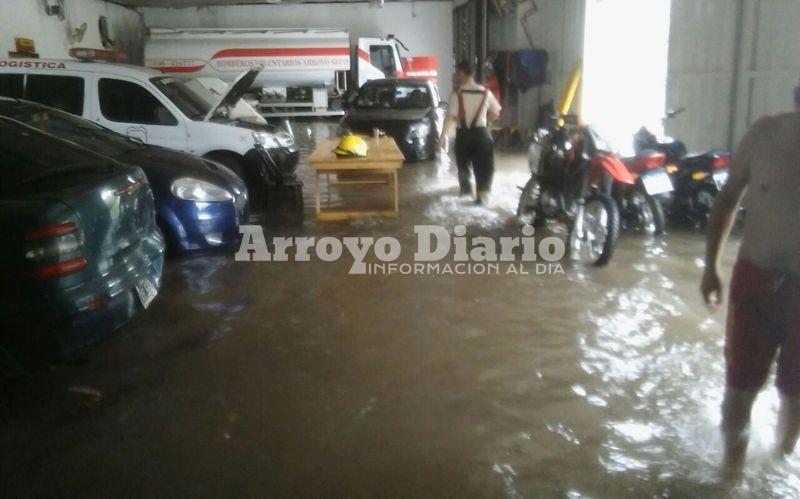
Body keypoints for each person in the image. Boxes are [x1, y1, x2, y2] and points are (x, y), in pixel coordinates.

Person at [701, 81, 800, 483]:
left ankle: (780, 464)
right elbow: (727, 200)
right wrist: (711, 266)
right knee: (739, 386)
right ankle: (729, 476)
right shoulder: (764, 135)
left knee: (796, 393)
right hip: (757, 278)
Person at [437, 61, 502, 205]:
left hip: (464, 136)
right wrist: (486, 124)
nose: (456, 76)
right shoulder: (486, 92)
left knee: (463, 168)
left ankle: (466, 194)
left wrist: (441, 139)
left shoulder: (457, 94)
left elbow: (450, 118)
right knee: (485, 169)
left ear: (463, 73)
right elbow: (496, 113)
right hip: (482, 135)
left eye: (457, 73)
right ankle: (482, 199)